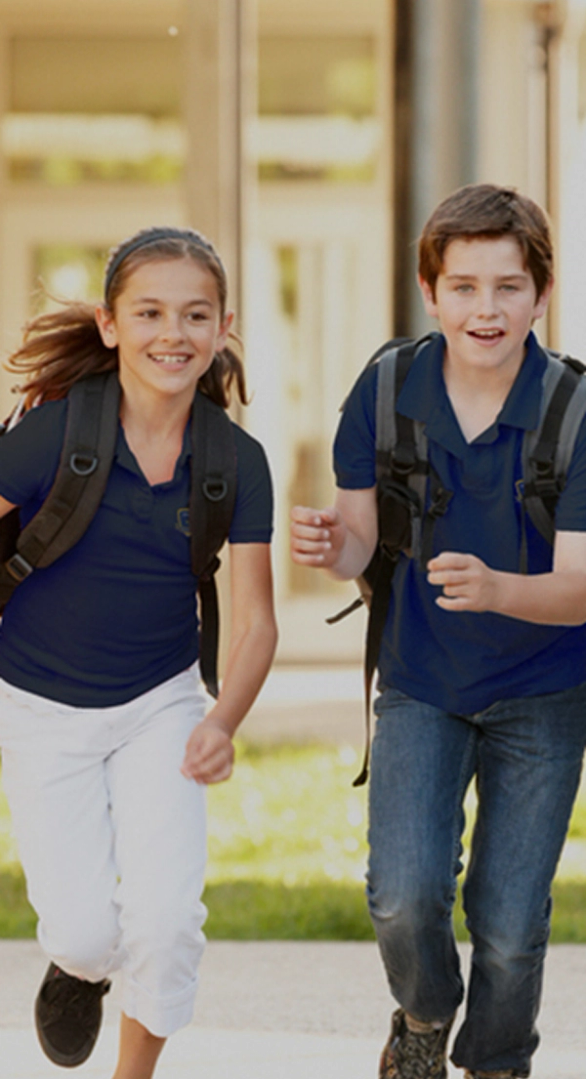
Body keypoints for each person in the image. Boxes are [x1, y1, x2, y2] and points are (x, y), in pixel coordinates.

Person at [290, 184, 586, 1079]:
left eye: (506, 287)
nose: (484, 309)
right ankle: (423, 1011)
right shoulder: (386, 391)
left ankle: (496, 1060)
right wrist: (331, 544)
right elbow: (358, 548)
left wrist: (499, 588)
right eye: (463, 286)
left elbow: (578, 589)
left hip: (545, 688)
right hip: (422, 679)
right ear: (431, 290)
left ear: (540, 293)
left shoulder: (575, 410)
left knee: (509, 918)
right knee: (404, 893)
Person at [0, 226, 277, 1079]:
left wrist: (223, 719)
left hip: (162, 703)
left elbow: (259, 620)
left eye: (196, 314)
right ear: (110, 324)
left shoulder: (237, 461)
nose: (174, 333)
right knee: (86, 930)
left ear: (223, 327)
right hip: (41, 702)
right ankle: (78, 971)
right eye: (150, 311)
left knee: (165, 921)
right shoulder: (51, 437)